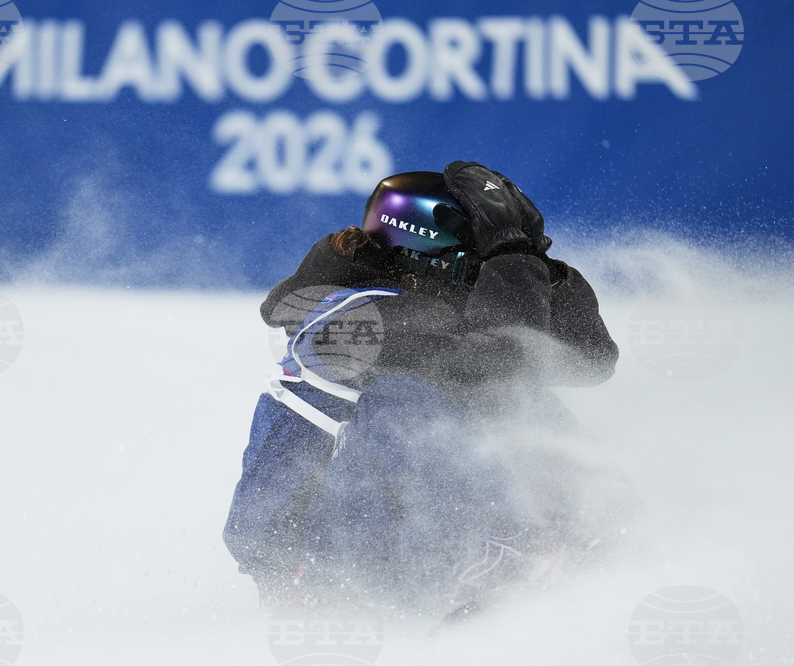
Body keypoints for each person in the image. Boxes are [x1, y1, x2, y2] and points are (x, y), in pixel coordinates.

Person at [223, 161, 619, 613]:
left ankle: (602, 532)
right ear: (422, 259)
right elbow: (505, 359)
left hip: (366, 529)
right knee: (415, 400)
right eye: (475, 264)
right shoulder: (367, 318)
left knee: (521, 403)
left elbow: (590, 361)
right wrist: (512, 256)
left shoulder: (397, 302)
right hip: (324, 557)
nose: (482, 277)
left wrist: (535, 261)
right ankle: (490, 561)